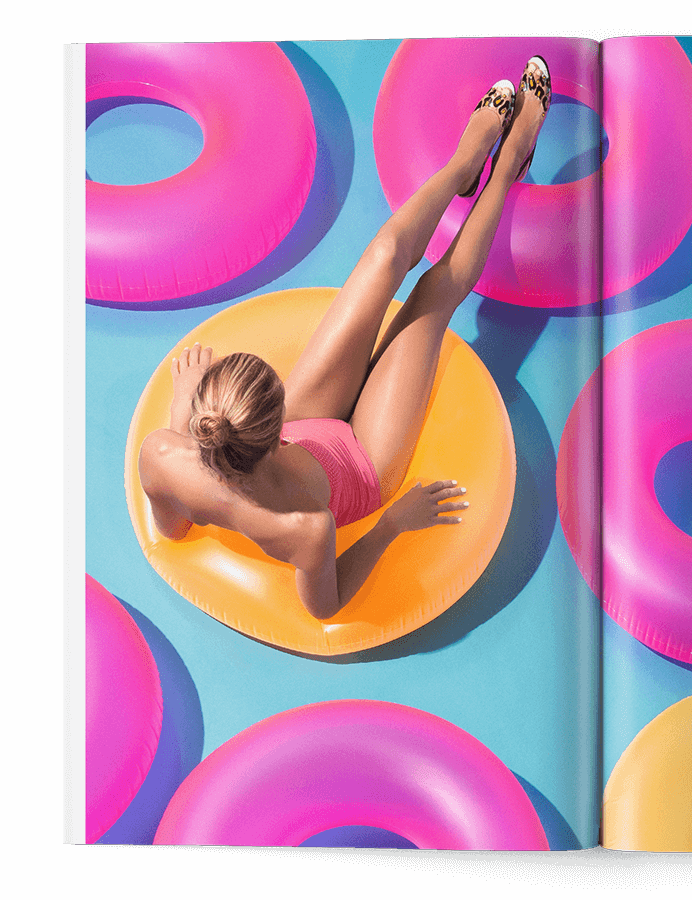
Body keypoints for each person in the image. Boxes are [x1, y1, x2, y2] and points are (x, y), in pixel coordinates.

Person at [138, 57, 552, 621]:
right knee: (432, 298)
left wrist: (182, 405)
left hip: (300, 437)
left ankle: (462, 167)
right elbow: (324, 611)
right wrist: (389, 526)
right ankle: (509, 162)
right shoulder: (303, 529)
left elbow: (173, 523)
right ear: (273, 413)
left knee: (384, 259)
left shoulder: (164, 451)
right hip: (360, 463)